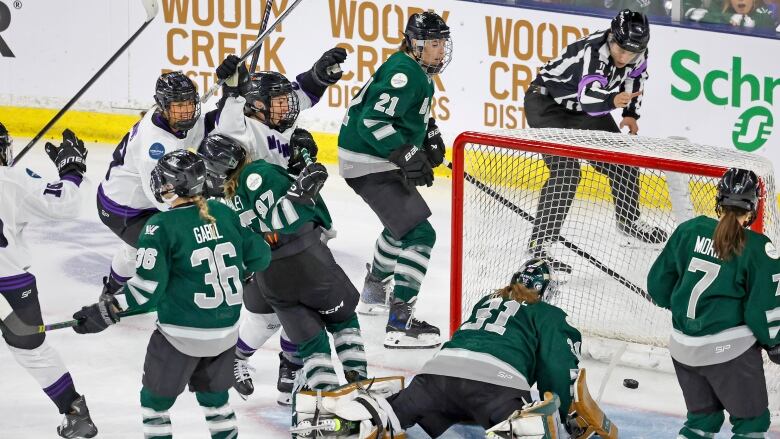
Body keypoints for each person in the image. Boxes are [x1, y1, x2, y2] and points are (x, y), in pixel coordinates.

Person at [291, 260, 618, 439]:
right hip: (495, 387)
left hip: (435, 376)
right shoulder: (547, 313)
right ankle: (517, 428)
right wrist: (564, 415)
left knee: (400, 410)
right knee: (521, 425)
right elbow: (556, 366)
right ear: (545, 293)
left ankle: (356, 419)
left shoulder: (486, 303)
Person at [73, 150, 271, 439]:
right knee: (216, 403)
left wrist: (107, 309)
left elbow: (147, 291)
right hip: (226, 335)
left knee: (155, 406)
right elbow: (262, 257)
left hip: (180, 337)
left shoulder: (159, 227)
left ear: (172, 187)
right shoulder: (225, 213)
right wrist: (241, 267)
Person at [204, 49, 345, 402]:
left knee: (279, 312)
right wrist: (233, 88)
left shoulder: (277, 115)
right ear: (257, 106)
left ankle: (286, 367)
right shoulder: (241, 124)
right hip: (259, 227)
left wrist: (319, 74)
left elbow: (302, 94)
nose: (288, 109)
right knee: (278, 309)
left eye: (286, 103)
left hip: (290, 221)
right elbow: (229, 119)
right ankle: (278, 365)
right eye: (279, 104)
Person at [198, 133, 368, 392]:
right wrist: (301, 193)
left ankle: (327, 393)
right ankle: (359, 380)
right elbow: (284, 219)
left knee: (311, 343)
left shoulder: (225, 201)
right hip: (309, 262)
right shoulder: (257, 173)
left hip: (270, 279)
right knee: (343, 320)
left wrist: (298, 181)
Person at [336, 11, 451, 349]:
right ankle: (400, 322)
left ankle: (374, 289)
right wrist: (405, 154)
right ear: (414, 44)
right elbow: (370, 122)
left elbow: (407, 114)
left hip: (371, 158)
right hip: (368, 160)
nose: (440, 49)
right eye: (433, 42)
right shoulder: (405, 72)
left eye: (443, 42)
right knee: (421, 233)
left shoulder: (416, 70)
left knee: (402, 224)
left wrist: (429, 134)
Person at [524, 9, 665, 273]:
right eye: (620, 49)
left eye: (631, 52)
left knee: (622, 158)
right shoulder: (593, 51)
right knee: (566, 172)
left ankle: (629, 222)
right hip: (547, 105)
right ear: (611, 37)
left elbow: (636, 81)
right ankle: (539, 244)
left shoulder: (638, 52)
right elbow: (590, 100)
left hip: (580, 110)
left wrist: (630, 114)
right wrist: (613, 102)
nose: (624, 57)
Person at [96, 57, 245, 301]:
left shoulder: (177, 119)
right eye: (178, 105)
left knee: (135, 250)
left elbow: (220, 126)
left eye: (189, 103)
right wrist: (207, 199)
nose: (186, 111)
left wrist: (232, 90)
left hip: (139, 201)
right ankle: (130, 294)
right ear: (164, 106)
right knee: (176, 249)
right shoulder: (156, 147)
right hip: (124, 208)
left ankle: (111, 289)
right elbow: (166, 202)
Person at [647, 167, 780, 439]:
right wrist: (775, 344)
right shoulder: (758, 247)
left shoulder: (689, 229)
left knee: (701, 422)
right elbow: (762, 310)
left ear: (719, 199)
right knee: (751, 425)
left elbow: (658, 288)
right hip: (729, 354)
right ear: (753, 205)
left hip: (683, 349)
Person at [0, 126, 96, 438]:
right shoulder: (13, 180)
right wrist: (71, 170)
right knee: (31, 350)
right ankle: (74, 411)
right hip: (11, 286)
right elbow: (65, 205)